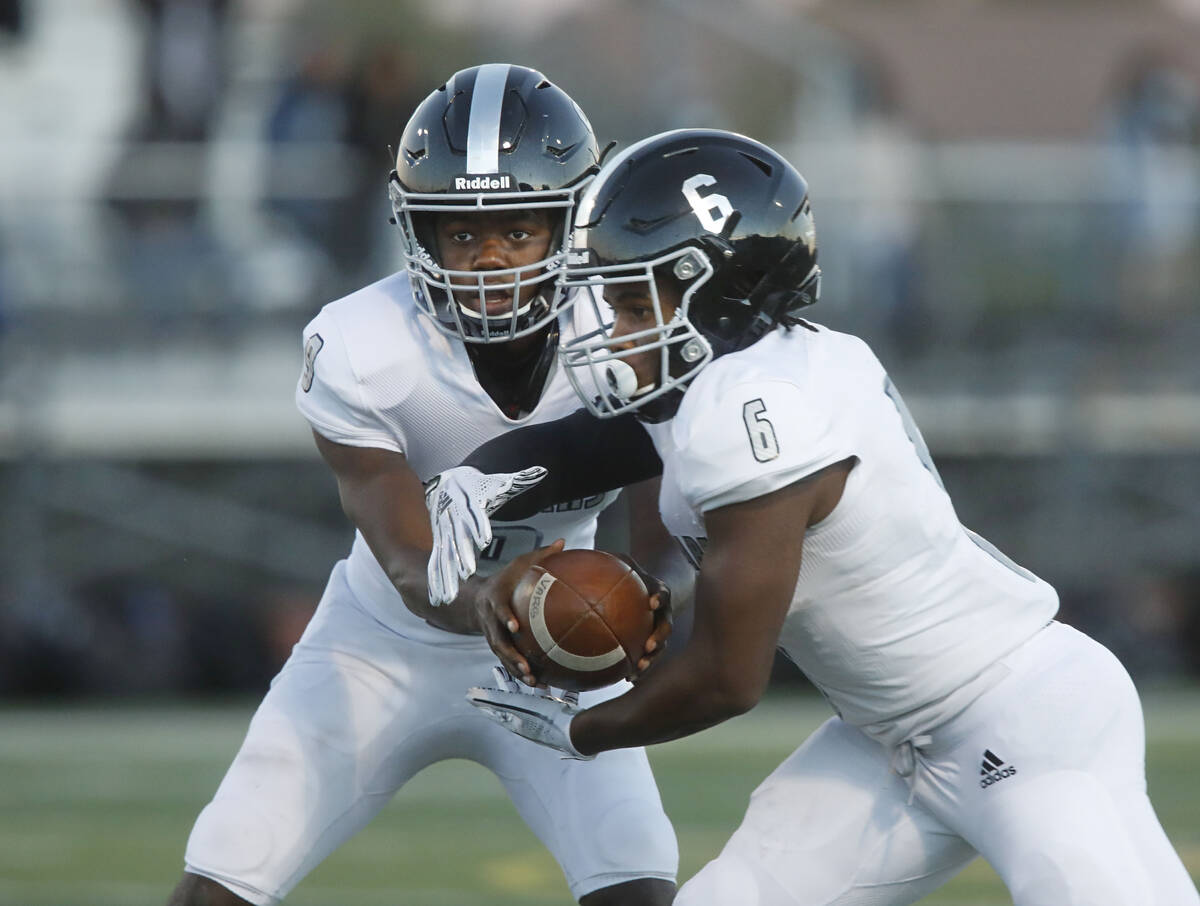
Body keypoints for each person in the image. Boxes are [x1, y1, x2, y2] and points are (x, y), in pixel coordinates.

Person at [424, 129, 1200, 905]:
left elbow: (728, 679)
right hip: (883, 743)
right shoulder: (752, 370)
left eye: (632, 301)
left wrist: (576, 730)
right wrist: (477, 476)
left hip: (1020, 717)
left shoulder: (753, 407)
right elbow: (598, 443)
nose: (613, 328)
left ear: (717, 294)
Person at [166, 64, 683, 906]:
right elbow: (410, 560)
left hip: (563, 652)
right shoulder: (362, 342)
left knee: (637, 885)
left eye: (518, 230)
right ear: (418, 231)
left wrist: (658, 591)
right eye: (460, 233)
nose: (488, 258)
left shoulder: (627, 329)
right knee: (218, 883)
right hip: (379, 648)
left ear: (572, 223)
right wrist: (493, 602)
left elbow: (669, 501)